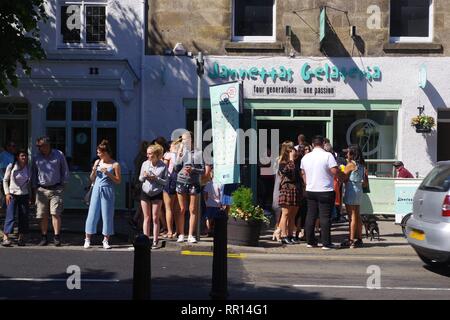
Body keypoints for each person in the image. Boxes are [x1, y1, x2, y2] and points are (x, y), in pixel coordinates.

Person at [300, 135, 340, 250]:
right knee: (325, 217)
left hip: (311, 190)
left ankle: (310, 241)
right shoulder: (328, 156)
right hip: (325, 190)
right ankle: (326, 243)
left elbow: (303, 172)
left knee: (310, 215)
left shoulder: (306, 157)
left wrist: (307, 183)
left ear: (313, 145)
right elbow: (334, 171)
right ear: (323, 143)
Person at [32, 136, 69, 246]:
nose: (39, 148)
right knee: (42, 215)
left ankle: (56, 237)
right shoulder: (36, 157)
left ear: (47, 145)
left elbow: (65, 170)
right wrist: (34, 189)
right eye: (38, 146)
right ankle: (44, 237)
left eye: (40, 146)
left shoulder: (59, 154)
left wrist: (63, 186)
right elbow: (34, 173)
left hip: (56, 189)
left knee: (55, 213)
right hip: (41, 189)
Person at [84, 140, 121, 249]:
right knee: (92, 213)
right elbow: (91, 179)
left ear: (105, 152)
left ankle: (106, 240)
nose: (98, 154)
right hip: (96, 189)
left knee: (107, 214)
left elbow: (118, 181)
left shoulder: (115, 164)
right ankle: (87, 239)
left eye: (99, 152)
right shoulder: (97, 162)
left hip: (108, 190)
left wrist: (108, 173)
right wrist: (94, 171)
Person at [175, 131, 204, 243]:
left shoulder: (198, 153)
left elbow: (202, 170)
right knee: (182, 209)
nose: (184, 141)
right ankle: (181, 234)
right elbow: (176, 169)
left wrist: (193, 170)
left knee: (192, 209)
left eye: (186, 139)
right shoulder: (182, 152)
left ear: (192, 139)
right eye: (182, 140)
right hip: (181, 181)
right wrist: (179, 154)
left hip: (193, 182)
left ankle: (191, 235)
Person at [139, 143, 167, 249]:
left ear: (156, 154)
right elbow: (140, 179)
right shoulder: (145, 164)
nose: (148, 156)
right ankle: (146, 240)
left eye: (150, 154)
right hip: (145, 191)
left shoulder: (163, 165)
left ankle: (155, 240)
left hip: (157, 192)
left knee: (155, 217)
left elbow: (165, 182)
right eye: (147, 153)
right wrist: (145, 176)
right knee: (146, 217)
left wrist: (156, 178)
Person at [2, 150, 31, 247]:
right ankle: (6, 237)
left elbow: (30, 183)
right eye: (22, 156)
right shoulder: (12, 166)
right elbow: (5, 180)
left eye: (25, 156)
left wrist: (31, 195)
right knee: (10, 215)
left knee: (23, 216)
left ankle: (21, 238)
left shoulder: (28, 168)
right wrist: (7, 193)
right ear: (17, 157)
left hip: (24, 194)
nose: (24, 158)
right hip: (12, 194)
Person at [341, 145, 366, 248]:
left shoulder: (351, 164)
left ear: (352, 154)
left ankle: (351, 239)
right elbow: (365, 182)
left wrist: (341, 169)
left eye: (348, 152)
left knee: (352, 216)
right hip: (359, 189)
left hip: (351, 189)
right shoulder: (362, 165)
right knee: (357, 214)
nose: (346, 154)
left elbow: (343, 177)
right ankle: (359, 238)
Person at [278, 141, 302, 244]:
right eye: (292, 150)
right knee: (286, 213)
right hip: (287, 189)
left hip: (295, 189)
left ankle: (290, 235)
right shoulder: (282, 163)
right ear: (287, 151)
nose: (294, 152)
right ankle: (283, 235)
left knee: (293, 214)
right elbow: (286, 171)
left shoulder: (296, 162)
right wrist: (291, 160)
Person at [162, 139, 181, 239]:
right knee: (178, 209)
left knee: (168, 208)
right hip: (180, 180)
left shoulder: (168, 155)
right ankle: (178, 231)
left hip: (170, 180)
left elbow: (164, 168)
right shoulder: (182, 155)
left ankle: (169, 231)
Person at [130, 141, 150, 231]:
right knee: (143, 203)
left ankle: (136, 220)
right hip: (141, 181)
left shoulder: (139, 156)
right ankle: (138, 223)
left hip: (137, 180)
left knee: (141, 204)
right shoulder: (143, 158)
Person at [203, 169, 222, 237]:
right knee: (215, 218)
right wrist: (221, 202)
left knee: (208, 218)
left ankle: (209, 230)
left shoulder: (208, 184)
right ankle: (213, 231)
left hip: (209, 204)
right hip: (217, 204)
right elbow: (220, 194)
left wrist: (206, 202)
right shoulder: (219, 184)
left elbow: (205, 194)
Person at [0, 141, 17, 208]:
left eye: (14, 146)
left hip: (8, 180)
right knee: (4, 199)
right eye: (12, 146)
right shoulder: (5, 154)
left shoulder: (11, 155)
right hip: (4, 180)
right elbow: (3, 168)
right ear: (7, 147)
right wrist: (6, 180)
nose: (14, 148)